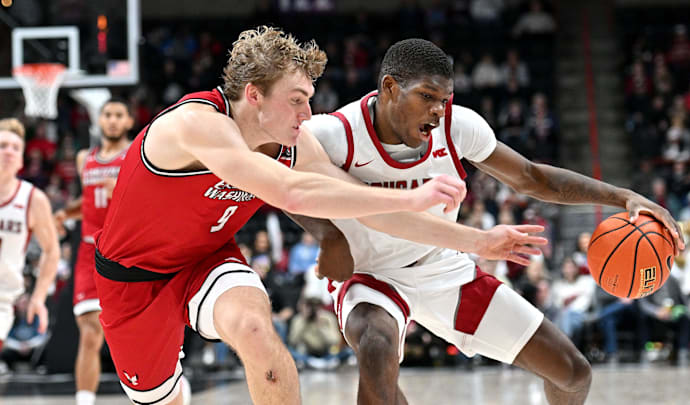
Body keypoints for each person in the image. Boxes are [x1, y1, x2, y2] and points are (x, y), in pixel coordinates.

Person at [92, 27, 479, 405]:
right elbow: (288, 192)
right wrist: (411, 199)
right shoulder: (196, 123)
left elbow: (369, 211)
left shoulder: (292, 144)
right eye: (296, 100)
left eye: (309, 99)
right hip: (134, 280)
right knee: (163, 398)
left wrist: (479, 240)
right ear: (254, 95)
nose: (308, 113)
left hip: (205, 259)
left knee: (256, 329)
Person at [299, 39, 685, 405]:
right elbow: (279, 180)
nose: (438, 110)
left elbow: (533, 178)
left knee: (573, 372)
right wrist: (328, 234)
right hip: (371, 274)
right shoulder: (335, 133)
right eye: (427, 97)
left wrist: (623, 196)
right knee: (376, 347)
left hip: (442, 268)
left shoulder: (456, 127)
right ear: (390, 88)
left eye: (444, 100)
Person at [53, 99, 133, 405]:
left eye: (118, 115)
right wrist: (63, 214)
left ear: (128, 121)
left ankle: (162, 388)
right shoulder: (84, 157)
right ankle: (84, 401)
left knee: (129, 335)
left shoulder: (134, 156)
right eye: (107, 115)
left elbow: (149, 202)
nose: (112, 120)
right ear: (100, 121)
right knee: (89, 333)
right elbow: (87, 202)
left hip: (125, 253)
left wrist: (124, 190)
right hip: (89, 254)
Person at [0, 118, 60, 366]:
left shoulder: (33, 199)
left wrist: (37, 297)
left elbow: (52, 251)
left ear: (22, 159)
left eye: (16, 147)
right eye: (3, 145)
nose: (9, 151)